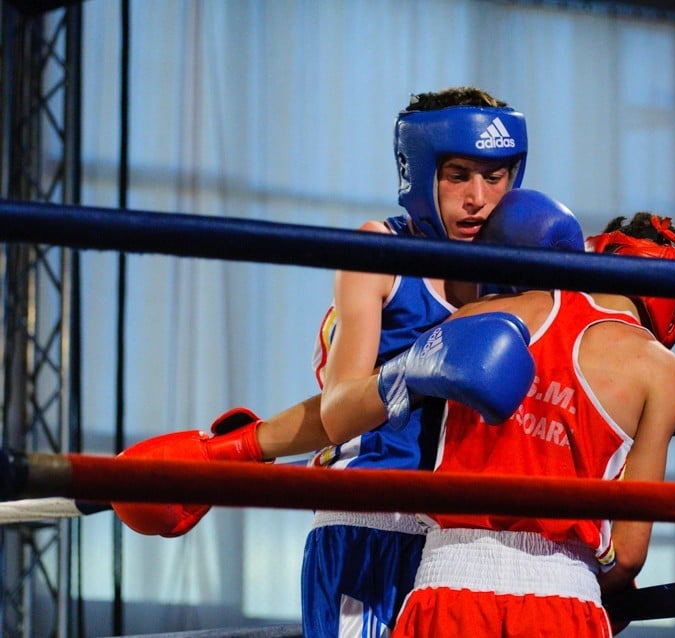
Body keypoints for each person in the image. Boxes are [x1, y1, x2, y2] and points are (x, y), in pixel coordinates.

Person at [112, 87, 534, 638]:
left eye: (495, 176)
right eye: (458, 174)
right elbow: (338, 410)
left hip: (465, 540)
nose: (478, 197)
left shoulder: (520, 273)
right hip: (370, 521)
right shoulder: (379, 252)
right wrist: (419, 368)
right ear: (419, 170)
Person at [391, 209, 675, 637]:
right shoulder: (661, 370)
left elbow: (392, 406)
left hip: (448, 583)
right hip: (563, 598)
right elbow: (627, 554)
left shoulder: (483, 313)